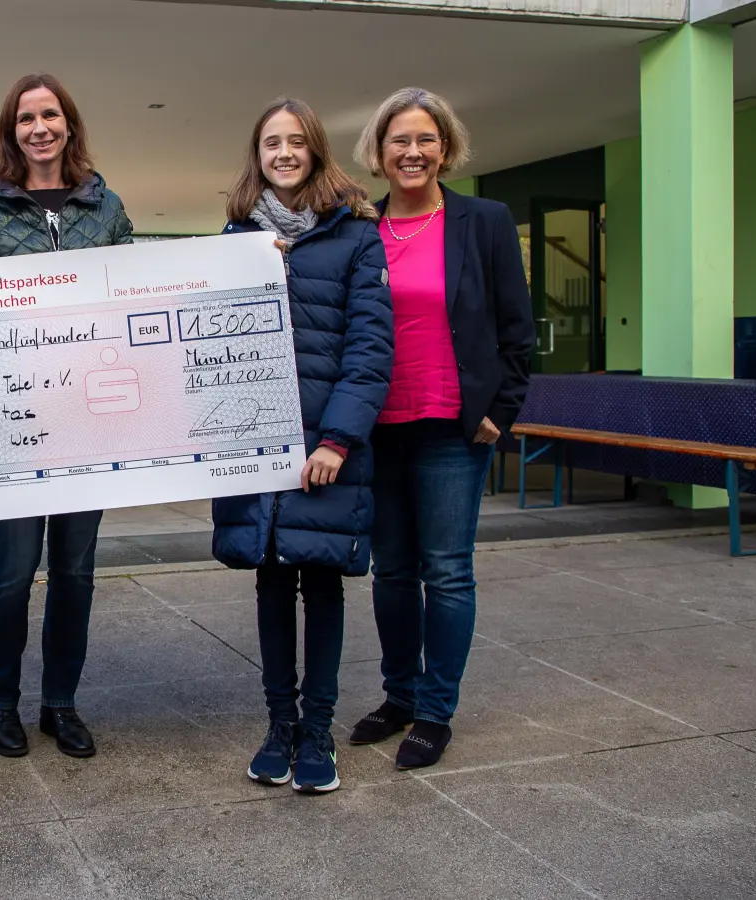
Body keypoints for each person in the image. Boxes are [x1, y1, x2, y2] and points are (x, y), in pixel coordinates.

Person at [347, 87, 535, 769]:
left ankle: (434, 710)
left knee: (447, 572)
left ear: (445, 148)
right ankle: (398, 697)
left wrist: (501, 410)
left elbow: (518, 329)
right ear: (379, 151)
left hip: (455, 429)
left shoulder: (483, 222)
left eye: (426, 139)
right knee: (391, 571)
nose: (413, 151)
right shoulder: (358, 228)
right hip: (378, 429)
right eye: (399, 140)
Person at [211, 97, 393, 794]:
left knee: (320, 584)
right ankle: (278, 727)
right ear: (256, 155)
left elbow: (369, 350)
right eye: (270, 143)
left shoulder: (355, 235)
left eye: (295, 142)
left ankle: (318, 733)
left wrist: (341, 440)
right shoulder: (234, 237)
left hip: (325, 448)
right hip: (256, 442)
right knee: (269, 581)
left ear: (315, 149)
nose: (283, 153)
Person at [0, 73, 134, 759]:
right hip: (15, 420)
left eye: (50, 114)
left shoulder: (106, 207)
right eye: (26, 117)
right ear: (12, 131)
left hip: (88, 418)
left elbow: (130, 294)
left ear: (68, 123)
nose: (39, 128)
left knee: (77, 574)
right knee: (11, 572)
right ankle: (1, 703)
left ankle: (62, 703)